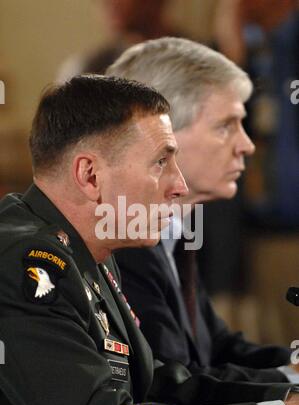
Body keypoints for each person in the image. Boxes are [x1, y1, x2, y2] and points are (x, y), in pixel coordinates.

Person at [0, 74, 298, 405]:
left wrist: (287, 398)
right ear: (90, 176)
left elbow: (161, 386)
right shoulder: (26, 265)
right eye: (160, 162)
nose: (179, 185)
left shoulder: (88, 250)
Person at [106, 37, 298, 384]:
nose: (247, 145)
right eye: (226, 126)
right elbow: (175, 386)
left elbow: (218, 347)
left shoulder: (176, 230)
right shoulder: (123, 242)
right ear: (162, 134)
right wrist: (287, 381)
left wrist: (292, 366)